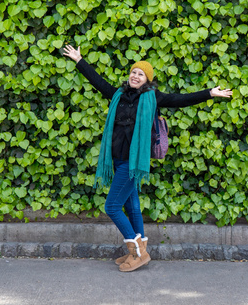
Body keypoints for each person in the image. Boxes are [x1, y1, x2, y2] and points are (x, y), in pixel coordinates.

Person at [62, 45, 232, 272]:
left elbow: (181, 99)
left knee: (112, 207)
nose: (135, 75)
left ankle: (137, 252)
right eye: (133, 72)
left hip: (134, 162)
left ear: (147, 79)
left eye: (140, 74)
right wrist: (79, 60)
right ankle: (139, 249)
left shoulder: (153, 98)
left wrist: (209, 93)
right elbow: (98, 81)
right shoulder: (118, 95)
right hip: (119, 159)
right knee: (132, 206)